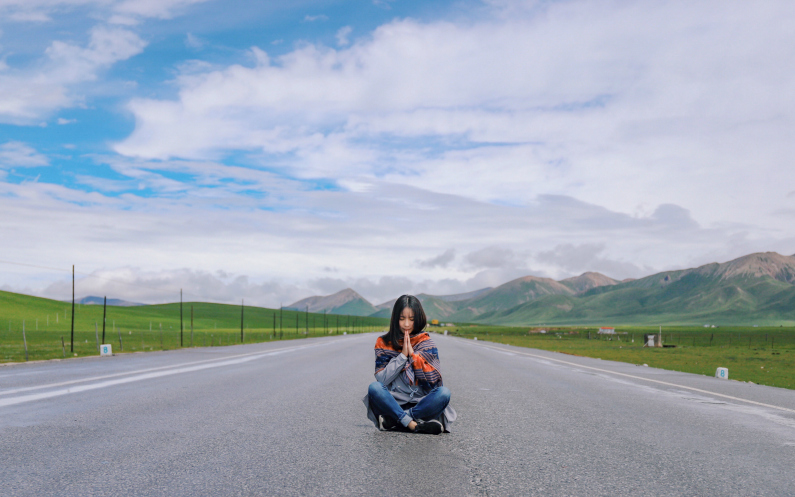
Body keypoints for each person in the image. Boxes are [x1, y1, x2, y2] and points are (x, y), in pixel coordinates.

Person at [363, 295, 456, 434]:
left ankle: (396, 420)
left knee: (444, 393)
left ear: (418, 319)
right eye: (402, 319)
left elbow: (433, 384)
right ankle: (415, 425)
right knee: (374, 388)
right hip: (394, 402)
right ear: (395, 319)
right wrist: (402, 356)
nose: (406, 324)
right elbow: (382, 380)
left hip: (422, 402)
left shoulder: (426, 343)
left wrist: (414, 357)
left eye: (411, 319)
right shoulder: (383, 342)